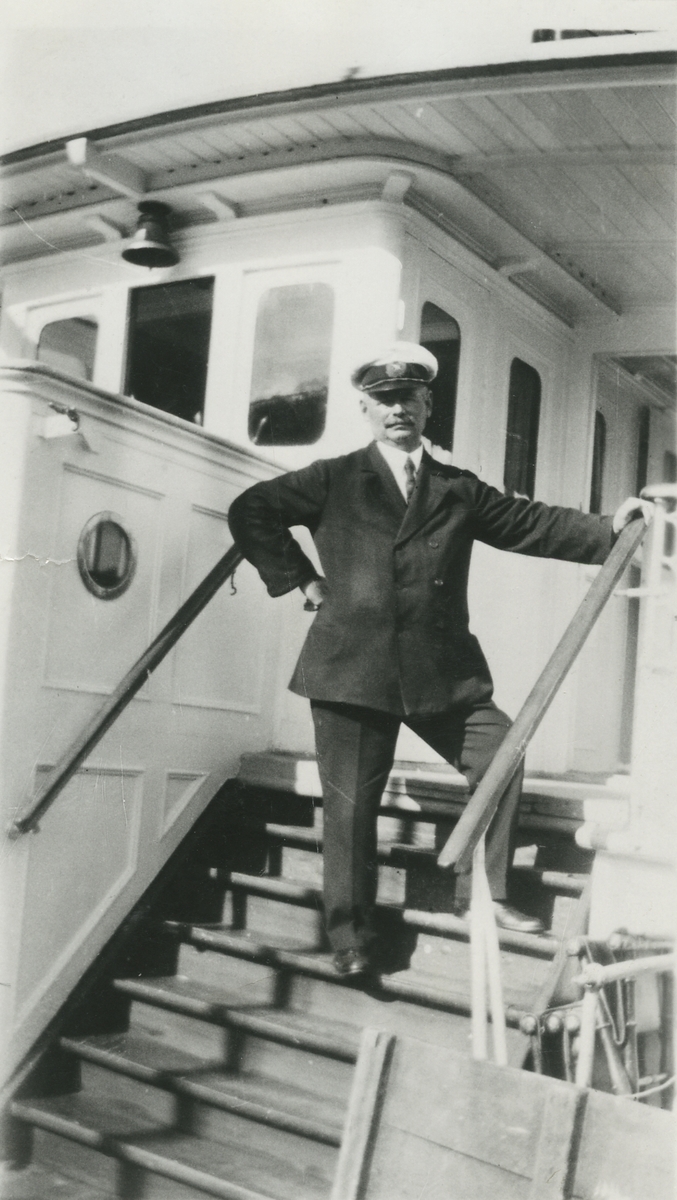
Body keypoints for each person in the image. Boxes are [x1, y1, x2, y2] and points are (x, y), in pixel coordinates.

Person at [228, 343, 652, 977]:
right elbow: (252, 509)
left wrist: (610, 528)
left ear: (428, 405)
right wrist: (302, 580)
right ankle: (350, 937)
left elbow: (529, 522)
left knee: (500, 753)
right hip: (352, 670)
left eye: (409, 398)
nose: (397, 409)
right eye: (384, 400)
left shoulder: (456, 487)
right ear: (366, 409)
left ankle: (483, 896)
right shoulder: (334, 477)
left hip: (439, 672)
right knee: (351, 809)